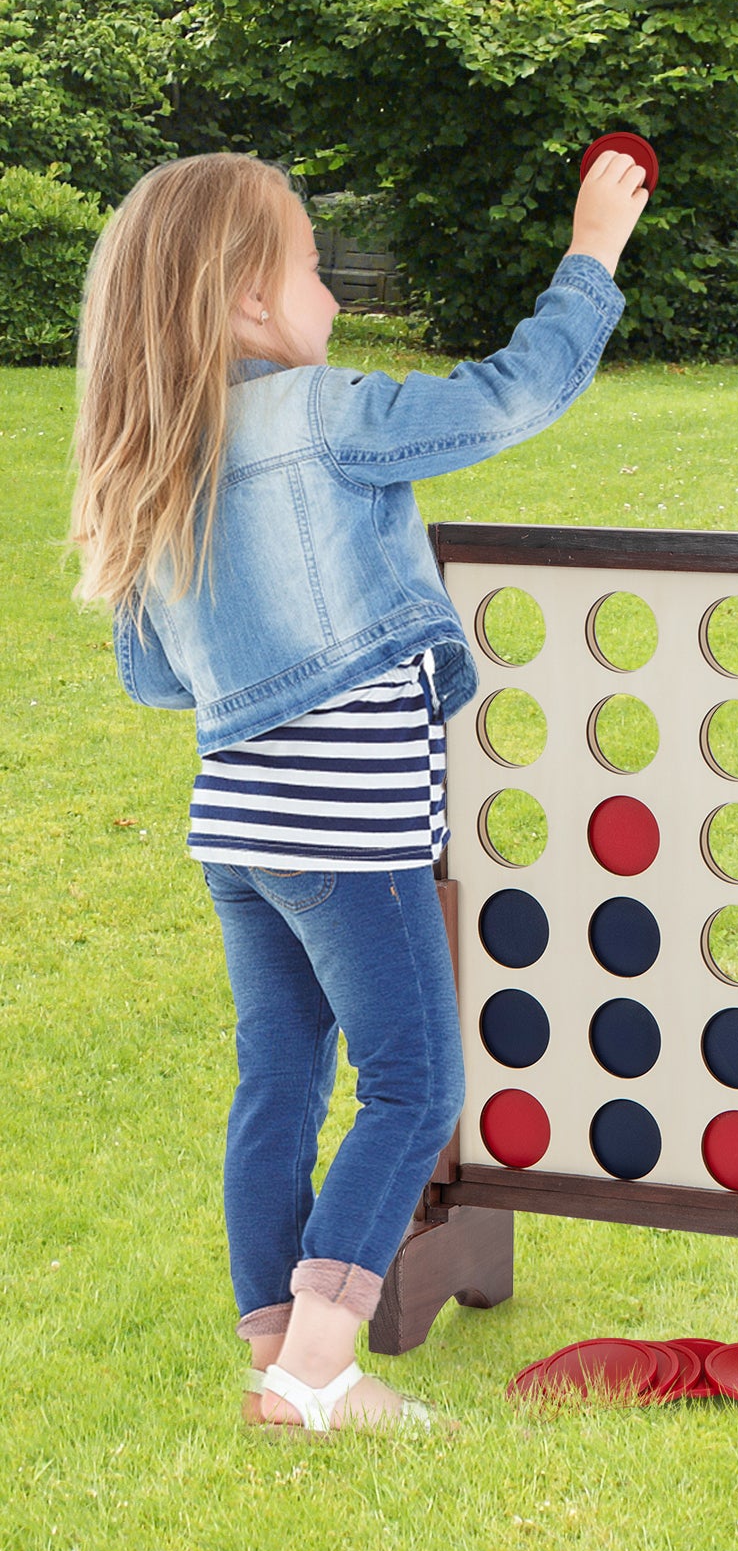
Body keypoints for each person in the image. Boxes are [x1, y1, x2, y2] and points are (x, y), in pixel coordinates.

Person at [70, 149, 649, 1429]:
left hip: (239, 828)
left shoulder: (163, 457)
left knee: (278, 1080)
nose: (332, 294)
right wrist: (592, 252)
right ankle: (321, 1367)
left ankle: (274, 1342)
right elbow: (506, 400)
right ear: (244, 301)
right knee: (414, 1087)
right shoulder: (322, 415)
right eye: (316, 268)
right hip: (348, 821)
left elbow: (158, 678)